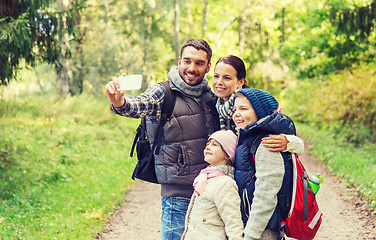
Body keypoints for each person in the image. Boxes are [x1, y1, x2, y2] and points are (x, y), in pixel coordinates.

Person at [105, 39, 219, 240]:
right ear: (179, 61)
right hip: (178, 194)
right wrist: (119, 101)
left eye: (199, 63)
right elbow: (137, 105)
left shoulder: (212, 96)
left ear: (208, 66)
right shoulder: (163, 92)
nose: (191, 68)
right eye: (187, 61)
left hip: (211, 193)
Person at [232, 88, 299, 240]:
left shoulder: (266, 144)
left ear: (260, 111)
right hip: (253, 225)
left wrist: (250, 235)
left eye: (243, 109)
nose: (236, 113)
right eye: (235, 109)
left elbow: (266, 196)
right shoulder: (248, 139)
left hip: (262, 231)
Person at [211, 55, 303, 153]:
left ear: (240, 82)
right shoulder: (213, 105)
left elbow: (288, 134)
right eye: (216, 76)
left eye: (227, 78)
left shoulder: (255, 104)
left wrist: (288, 142)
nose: (219, 82)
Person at [181, 130, 243, 240]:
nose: (208, 147)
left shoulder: (225, 183)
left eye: (215, 145)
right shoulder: (205, 177)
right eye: (207, 144)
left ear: (227, 155)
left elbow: (233, 221)